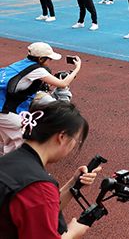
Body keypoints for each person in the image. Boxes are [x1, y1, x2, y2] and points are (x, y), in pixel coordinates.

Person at [0, 101, 99, 238]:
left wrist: (73, 183)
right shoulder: (38, 187)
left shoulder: (9, 161)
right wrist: (73, 233)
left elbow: (41, 210)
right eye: (76, 141)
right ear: (62, 137)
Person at [0, 43, 81, 154]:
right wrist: (77, 68)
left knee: (11, 139)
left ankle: (8, 158)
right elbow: (63, 83)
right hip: (3, 110)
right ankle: (15, 161)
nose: (50, 61)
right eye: (49, 59)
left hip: (4, 108)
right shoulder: (37, 70)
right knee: (25, 137)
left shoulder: (21, 64)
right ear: (41, 59)